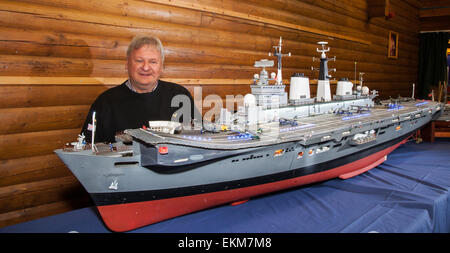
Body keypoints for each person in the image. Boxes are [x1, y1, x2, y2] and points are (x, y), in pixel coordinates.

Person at [80, 34, 198, 143]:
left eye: (153, 62)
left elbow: (201, 137)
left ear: (162, 67)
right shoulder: (105, 103)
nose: (146, 67)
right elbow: (89, 149)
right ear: (127, 64)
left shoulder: (180, 96)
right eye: (139, 61)